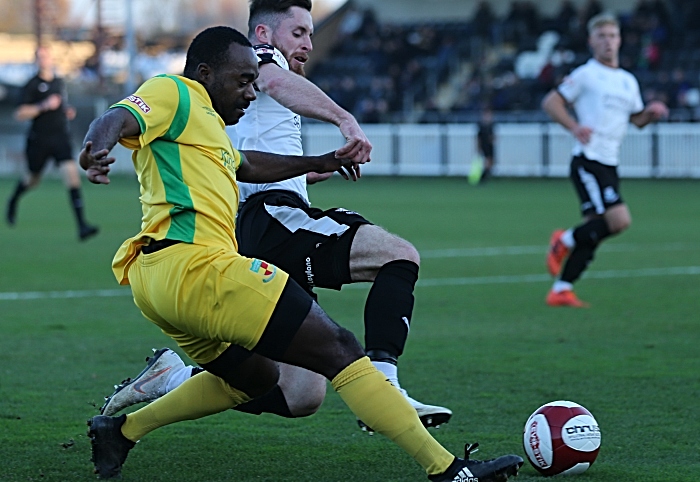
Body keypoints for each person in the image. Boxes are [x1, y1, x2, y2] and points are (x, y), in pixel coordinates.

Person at [82, 26, 523, 481]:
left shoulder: (206, 126)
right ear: (206, 72)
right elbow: (116, 117)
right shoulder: (174, 91)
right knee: (341, 349)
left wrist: (320, 162)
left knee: (256, 380)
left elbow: (247, 163)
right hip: (197, 268)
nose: (252, 92)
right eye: (242, 80)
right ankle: (448, 470)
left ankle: (122, 431)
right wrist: (98, 147)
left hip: (157, 281)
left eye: (255, 81)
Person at [100, 0, 452, 433]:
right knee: (397, 256)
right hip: (272, 218)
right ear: (264, 35)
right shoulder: (262, 61)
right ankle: (387, 387)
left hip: (260, 222)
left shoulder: (232, 97)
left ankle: (171, 378)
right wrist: (345, 119)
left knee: (300, 394)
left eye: (310, 34)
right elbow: (274, 81)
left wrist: (313, 169)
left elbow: (247, 161)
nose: (307, 44)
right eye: (299, 32)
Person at [542, 13, 668, 307]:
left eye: (612, 35)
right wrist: (574, 127)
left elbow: (636, 120)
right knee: (619, 220)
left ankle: (561, 289)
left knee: (596, 230)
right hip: (589, 160)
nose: (608, 41)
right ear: (591, 41)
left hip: (610, 162)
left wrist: (651, 113)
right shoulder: (586, 74)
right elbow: (551, 101)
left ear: (620, 40)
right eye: (602, 36)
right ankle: (564, 240)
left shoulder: (627, 81)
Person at [6, 46, 98, 240]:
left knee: (72, 176)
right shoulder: (31, 85)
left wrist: (66, 111)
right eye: (40, 57)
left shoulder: (58, 82)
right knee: (33, 180)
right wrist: (43, 106)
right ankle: (13, 200)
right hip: (39, 140)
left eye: (46, 56)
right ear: (36, 60)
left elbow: (60, 105)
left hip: (60, 138)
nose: (44, 60)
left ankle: (82, 226)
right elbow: (20, 113)